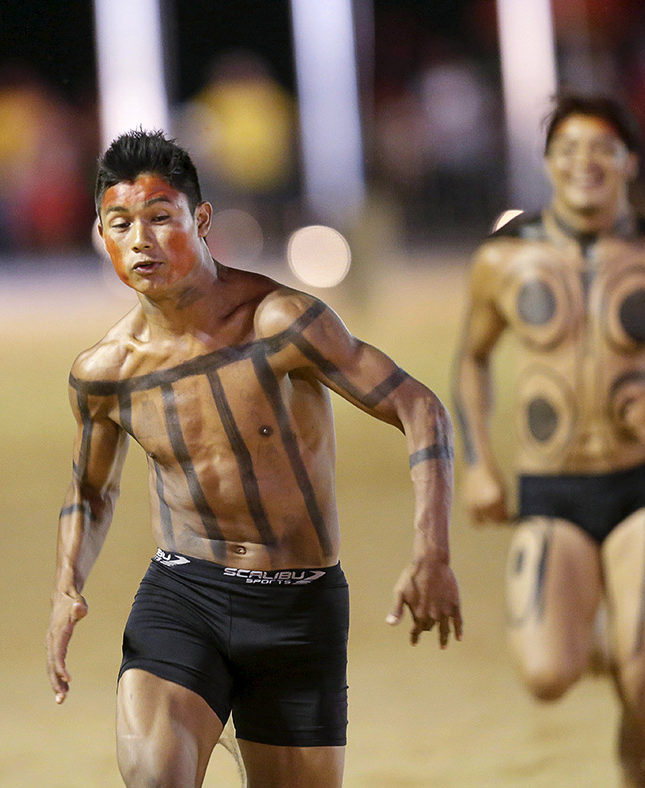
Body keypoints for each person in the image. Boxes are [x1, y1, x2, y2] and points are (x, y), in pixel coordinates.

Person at [45, 129, 462, 788]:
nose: (140, 240)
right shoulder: (106, 372)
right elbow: (91, 490)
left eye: (160, 218)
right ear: (102, 235)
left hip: (300, 606)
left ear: (201, 220)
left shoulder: (280, 324)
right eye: (120, 223)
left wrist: (431, 550)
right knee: (156, 779)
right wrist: (68, 584)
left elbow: (420, 409)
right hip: (184, 596)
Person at [452, 95, 645, 788]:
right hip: (553, 488)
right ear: (548, 164)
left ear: (630, 160)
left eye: (602, 148)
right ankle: (598, 629)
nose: (585, 163)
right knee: (547, 676)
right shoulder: (504, 258)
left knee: (640, 673)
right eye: (568, 150)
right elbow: (472, 359)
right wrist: (478, 464)